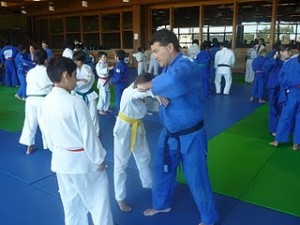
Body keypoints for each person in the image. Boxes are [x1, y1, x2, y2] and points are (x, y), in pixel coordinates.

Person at [143, 29, 219, 225]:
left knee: (196, 178)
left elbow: (173, 82)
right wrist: (156, 91)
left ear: (169, 47)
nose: (155, 56)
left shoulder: (186, 67)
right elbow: (161, 85)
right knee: (160, 171)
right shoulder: (167, 68)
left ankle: (209, 218)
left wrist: (149, 86)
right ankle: (161, 205)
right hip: (168, 134)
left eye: (157, 51)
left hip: (191, 136)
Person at [39, 56, 113, 225]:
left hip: (61, 161)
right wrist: (99, 159)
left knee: (71, 205)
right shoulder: (75, 102)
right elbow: (89, 136)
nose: (75, 80)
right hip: (83, 163)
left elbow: (46, 133)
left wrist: (59, 149)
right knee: (98, 202)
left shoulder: (46, 101)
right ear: (66, 75)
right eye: (74, 75)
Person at [113, 73, 158, 212]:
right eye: (145, 87)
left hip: (138, 127)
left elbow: (151, 105)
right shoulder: (129, 92)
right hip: (124, 130)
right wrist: (153, 93)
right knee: (121, 164)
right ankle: (120, 197)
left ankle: (149, 184)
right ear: (139, 82)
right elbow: (139, 95)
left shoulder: (143, 92)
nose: (146, 90)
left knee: (144, 157)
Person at [19, 49, 53, 154]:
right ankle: (51, 146)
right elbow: (53, 84)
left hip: (30, 100)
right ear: (46, 59)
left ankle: (29, 146)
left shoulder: (30, 72)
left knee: (29, 122)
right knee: (45, 123)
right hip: (42, 100)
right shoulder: (47, 71)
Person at [269, 55, 300, 150]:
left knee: (285, 117)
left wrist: (285, 88)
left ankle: (277, 140)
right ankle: (296, 144)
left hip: (292, 92)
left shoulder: (290, 62)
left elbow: (281, 78)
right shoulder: (291, 61)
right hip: (293, 91)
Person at [263, 44, 291, 136]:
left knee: (285, 109)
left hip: (285, 89)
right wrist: (273, 58)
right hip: (274, 88)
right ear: (281, 52)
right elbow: (264, 68)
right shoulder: (274, 61)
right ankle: (273, 129)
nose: (289, 53)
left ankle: (285, 127)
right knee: (274, 109)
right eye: (287, 51)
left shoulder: (290, 62)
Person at [73, 50, 99, 136]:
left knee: (93, 115)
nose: (75, 62)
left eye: (76, 60)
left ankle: (95, 133)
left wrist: (75, 82)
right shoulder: (74, 69)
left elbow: (86, 81)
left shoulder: (87, 68)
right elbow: (72, 81)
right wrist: (77, 81)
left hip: (89, 95)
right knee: (80, 115)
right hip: (78, 95)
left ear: (81, 61)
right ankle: (82, 133)